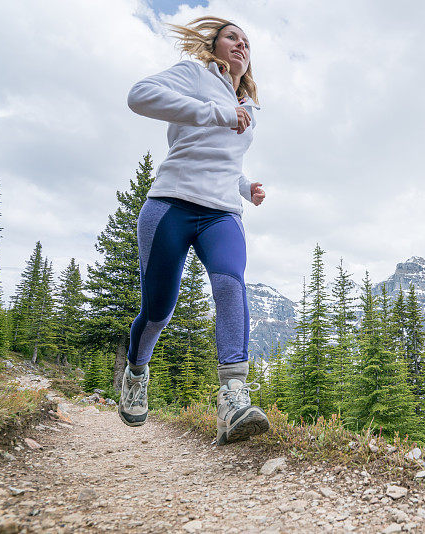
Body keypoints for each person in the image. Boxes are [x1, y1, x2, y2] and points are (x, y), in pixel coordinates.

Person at [119, 16, 269, 445]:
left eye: (247, 41)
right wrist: (215, 112)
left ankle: (233, 396)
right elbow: (138, 95)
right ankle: (136, 370)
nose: (241, 45)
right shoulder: (193, 75)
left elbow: (222, 158)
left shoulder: (249, 109)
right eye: (232, 38)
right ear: (215, 45)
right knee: (159, 308)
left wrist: (246, 187)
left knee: (229, 282)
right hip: (170, 203)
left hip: (222, 212)